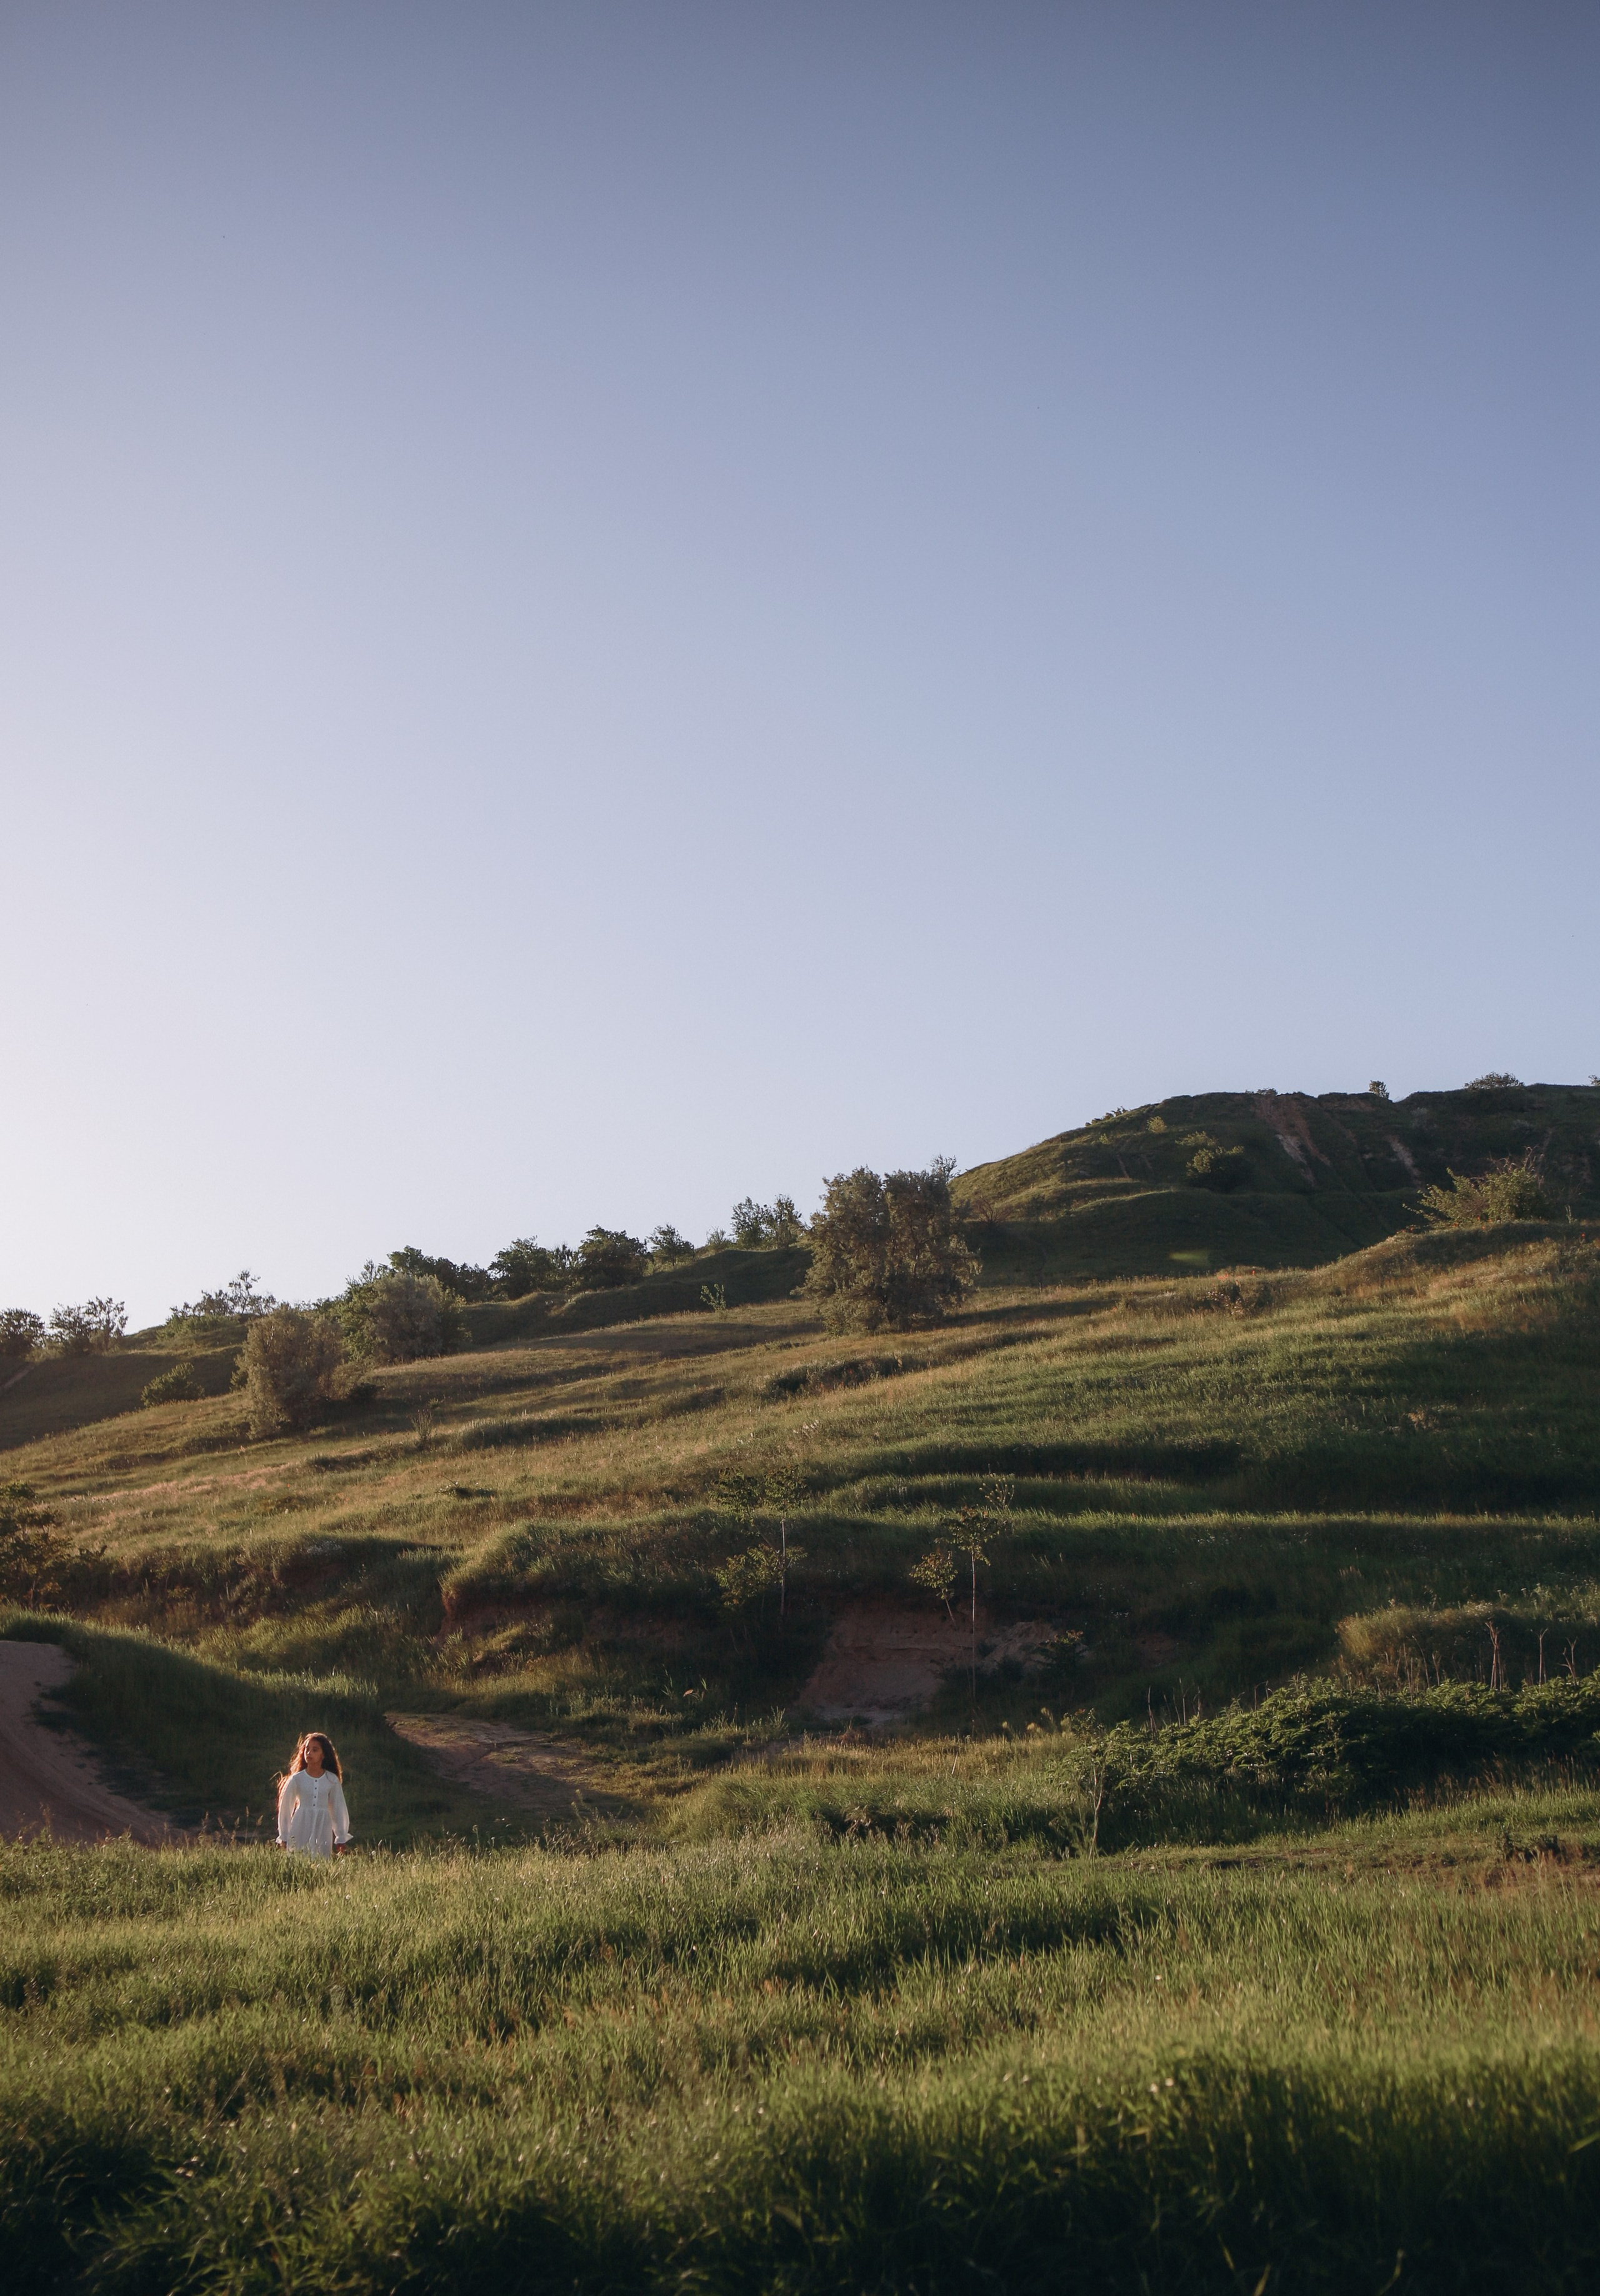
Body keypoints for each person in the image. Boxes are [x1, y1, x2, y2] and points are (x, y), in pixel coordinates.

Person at [276, 1731, 352, 1858]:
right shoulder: (297, 1779)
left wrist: (341, 1836)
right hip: (300, 1824)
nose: (309, 1753)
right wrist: (284, 1835)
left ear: (323, 1754)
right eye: (307, 1749)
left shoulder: (331, 1780)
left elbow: (338, 1809)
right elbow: (285, 1809)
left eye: (315, 1750)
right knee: (298, 1858)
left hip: (323, 1826)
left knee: (321, 1860)